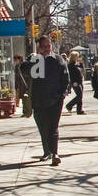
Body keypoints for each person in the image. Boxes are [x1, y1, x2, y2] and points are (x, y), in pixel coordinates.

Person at [29, 35, 70, 165]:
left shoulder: (58, 60)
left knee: (53, 127)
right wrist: (36, 58)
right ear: (40, 47)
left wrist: (62, 94)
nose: (47, 48)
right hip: (39, 101)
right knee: (43, 128)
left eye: (49, 46)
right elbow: (25, 70)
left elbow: (65, 78)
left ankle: (55, 154)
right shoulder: (36, 60)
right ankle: (47, 151)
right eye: (44, 46)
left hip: (55, 100)